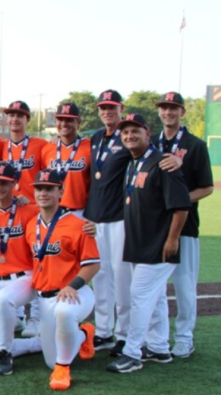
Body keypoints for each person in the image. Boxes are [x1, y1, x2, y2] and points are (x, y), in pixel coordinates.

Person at [107, 114, 191, 374]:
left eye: (135, 131)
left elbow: (181, 207)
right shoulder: (134, 163)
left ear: (147, 134)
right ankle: (159, 347)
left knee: (139, 298)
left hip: (157, 245)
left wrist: (172, 238)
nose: (129, 136)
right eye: (125, 133)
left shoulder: (163, 163)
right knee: (155, 300)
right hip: (140, 243)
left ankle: (132, 352)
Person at [9, 169, 98, 390]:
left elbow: (93, 264)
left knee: (64, 313)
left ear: (61, 191)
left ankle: (63, 368)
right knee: (49, 359)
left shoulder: (79, 224)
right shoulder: (31, 225)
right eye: (39, 188)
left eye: (49, 188)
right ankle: (83, 333)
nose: (43, 193)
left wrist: (73, 285)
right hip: (45, 297)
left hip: (76, 292)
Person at [154, 92, 214, 358]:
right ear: (159, 112)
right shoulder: (151, 143)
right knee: (152, 285)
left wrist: (176, 200)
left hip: (185, 226)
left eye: (174, 108)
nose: (169, 113)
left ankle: (184, 337)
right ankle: (156, 337)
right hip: (154, 226)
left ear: (182, 112)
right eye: (165, 108)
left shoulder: (195, 144)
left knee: (184, 285)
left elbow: (207, 188)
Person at [0, 162, 40, 375]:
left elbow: (56, 219)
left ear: (14, 183)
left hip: (23, 277)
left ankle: (4, 354)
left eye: (4, 183)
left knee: (4, 300)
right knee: (1, 340)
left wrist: (88, 225)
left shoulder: (29, 209)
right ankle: (39, 344)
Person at [84, 89, 133, 354]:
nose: (107, 112)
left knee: (121, 276)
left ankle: (124, 333)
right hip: (95, 216)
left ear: (121, 108)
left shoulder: (127, 135)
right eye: (103, 108)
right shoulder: (95, 138)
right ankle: (104, 332)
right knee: (101, 276)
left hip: (119, 217)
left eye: (112, 107)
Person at [0, 100, 47, 337]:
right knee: (12, 263)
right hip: (9, 216)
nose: (15, 119)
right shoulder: (1, 147)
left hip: (33, 213)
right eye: (11, 115)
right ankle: (16, 316)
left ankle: (36, 317)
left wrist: (38, 203)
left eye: (20, 115)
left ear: (28, 120)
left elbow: (52, 179)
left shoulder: (40, 145)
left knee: (36, 263)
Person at [40, 103, 91, 217]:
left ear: (78, 122)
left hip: (81, 212)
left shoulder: (89, 147)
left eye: (69, 120)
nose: (64, 123)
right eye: (60, 119)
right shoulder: (48, 148)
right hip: (53, 211)